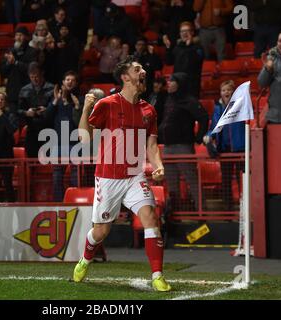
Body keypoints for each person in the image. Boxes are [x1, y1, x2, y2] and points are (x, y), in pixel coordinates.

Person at [74, 56, 171, 292]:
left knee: (150, 217)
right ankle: (85, 259)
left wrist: (158, 165)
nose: (143, 71)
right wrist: (86, 108)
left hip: (135, 176)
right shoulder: (106, 104)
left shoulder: (149, 110)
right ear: (125, 77)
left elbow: (151, 146)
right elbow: (83, 137)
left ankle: (157, 275)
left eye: (143, 68)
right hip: (108, 178)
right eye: (137, 69)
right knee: (101, 231)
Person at [159, 72, 208, 211]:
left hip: (183, 147)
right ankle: (175, 213)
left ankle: (201, 211)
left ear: (179, 84)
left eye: (172, 81)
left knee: (191, 179)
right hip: (168, 147)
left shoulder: (190, 101)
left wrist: (198, 138)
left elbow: (203, 118)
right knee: (171, 182)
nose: (168, 83)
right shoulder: (169, 99)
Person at [203, 80, 244, 210]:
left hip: (240, 150)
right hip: (224, 149)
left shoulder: (241, 105)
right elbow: (215, 127)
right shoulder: (218, 108)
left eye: (228, 89)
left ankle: (245, 207)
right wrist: (209, 136)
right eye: (223, 90)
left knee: (242, 181)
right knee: (226, 181)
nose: (226, 92)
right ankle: (228, 209)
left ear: (233, 91)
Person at [45, 70, 82, 202]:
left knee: (75, 178)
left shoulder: (78, 99)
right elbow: (47, 118)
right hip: (58, 144)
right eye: (67, 80)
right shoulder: (55, 99)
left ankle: (74, 201)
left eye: (72, 80)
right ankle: (59, 204)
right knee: (57, 178)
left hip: (74, 145)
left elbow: (78, 122)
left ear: (76, 83)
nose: (70, 82)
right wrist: (55, 100)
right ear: (63, 82)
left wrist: (76, 106)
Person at [17, 62, 54, 158]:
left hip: (48, 128)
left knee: (48, 159)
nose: (34, 79)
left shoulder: (51, 88)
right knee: (31, 157)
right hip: (32, 129)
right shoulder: (24, 90)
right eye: (32, 77)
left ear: (42, 74)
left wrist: (47, 110)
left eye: (36, 76)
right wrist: (27, 112)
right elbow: (18, 111)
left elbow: (56, 109)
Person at [0, 26, 39, 114]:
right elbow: (2, 71)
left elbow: (31, 69)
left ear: (26, 37)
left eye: (21, 35)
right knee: (13, 117)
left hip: (27, 89)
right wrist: (9, 63)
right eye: (16, 35)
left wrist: (16, 62)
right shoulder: (10, 51)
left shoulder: (32, 51)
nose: (18, 38)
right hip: (12, 91)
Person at [166, 21, 204, 98]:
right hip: (177, 83)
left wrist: (188, 46)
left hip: (192, 84)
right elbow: (169, 62)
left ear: (192, 32)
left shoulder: (198, 47)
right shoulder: (177, 47)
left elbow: (196, 61)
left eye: (187, 31)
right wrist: (168, 48)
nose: (184, 33)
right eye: (182, 31)